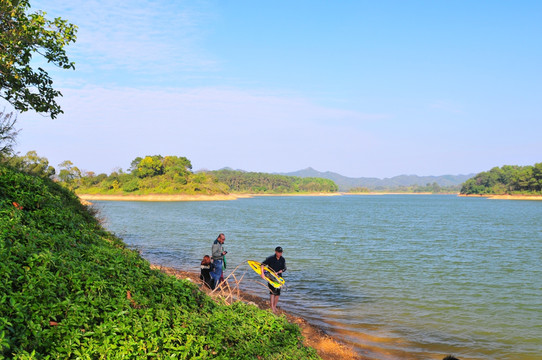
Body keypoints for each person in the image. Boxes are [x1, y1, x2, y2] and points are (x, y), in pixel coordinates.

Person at [261, 246, 286, 313]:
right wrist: (262, 274)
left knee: (278, 293)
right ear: (275, 252)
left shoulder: (282, 259)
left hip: (279, 277)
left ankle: (274, 306)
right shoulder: (270, 258)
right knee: (272, 292)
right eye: (279, 252)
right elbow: (262, 265)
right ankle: (271, 307)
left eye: (281, 252)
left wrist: (280, 271)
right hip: (270, 276)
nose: (280, 254)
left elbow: (284, 268)